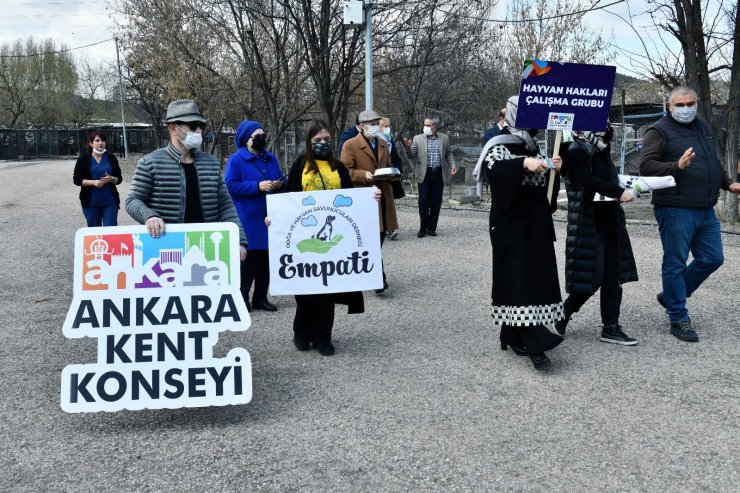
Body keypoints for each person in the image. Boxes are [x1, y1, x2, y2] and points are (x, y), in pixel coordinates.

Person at [639, 85, 740, 342]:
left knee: (713, 258)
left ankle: (673, 293)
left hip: (705, 209)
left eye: (690, 104)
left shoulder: (704, 127)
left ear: (696, 103)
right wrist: (677, 165)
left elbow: (712, 162)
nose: (685, 109)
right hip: (675, 208)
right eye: (679, 105)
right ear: (669, 106)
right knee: (675, 262)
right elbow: (646, 166)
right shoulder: (658, 131)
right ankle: (678, 317)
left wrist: (728, 183)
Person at [279, 118, 379, 356]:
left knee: (327, 290)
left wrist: (368, 200)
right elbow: (285, 199)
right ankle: (301, 331)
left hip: (334, 241)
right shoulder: (299, 165)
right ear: (309, 142)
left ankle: (324, 336)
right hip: (303, 236)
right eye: (317, 140)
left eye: (326, 139)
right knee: (306, 291)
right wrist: (272, 218)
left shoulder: (338, 166)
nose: (322, 143)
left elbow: (349, 199)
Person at [482, 95, 564, 370]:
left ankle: (513, 333)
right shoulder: (498, 143)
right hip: (511, 225)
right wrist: (522, 164)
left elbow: (547, 189)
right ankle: (535, 343)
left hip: (536, 224)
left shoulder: (535, 146)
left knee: (535, 275)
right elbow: (493, 171)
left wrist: (554, 169)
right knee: (518, 278)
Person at [125, 99, 247, 260]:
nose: (198, 130)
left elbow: (225, 204)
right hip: (164, 248)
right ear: (173, 128)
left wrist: (238, 240)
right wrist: (150, 216)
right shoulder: (150, 162)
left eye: (201, 126)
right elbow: (132, 200)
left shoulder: (211, 163)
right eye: (193, 125)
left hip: (205, 247)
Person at [556, 127, 639, 345]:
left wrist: (627, 187)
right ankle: (563, 314)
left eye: (606, 124)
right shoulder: (574, 148)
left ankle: (610, 327)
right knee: (593, 275)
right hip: (588, 220)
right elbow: (586, 179)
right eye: (599, 124)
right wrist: (618, 192)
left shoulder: (601, 148)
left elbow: (607, 178)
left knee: (614, 273)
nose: (605, 128)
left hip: (610, 217)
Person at [225, 120, 284, 313]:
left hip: (269, 216)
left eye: (263, 135)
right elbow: (230, 185)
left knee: (266, 260)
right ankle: (242, 297)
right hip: (248, 216)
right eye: (256, 136)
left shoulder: (271, 158)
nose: (261, 139)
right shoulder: (236, 160)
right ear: (246, 139)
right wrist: (256, 186)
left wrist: (279, 184)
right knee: (248, 260)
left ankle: (260, 297)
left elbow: (280, 176)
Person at [341, 110, 398, 294]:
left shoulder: (382, 142)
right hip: (363, 197)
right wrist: (362, 175)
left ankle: (371, 274)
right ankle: (377, 277)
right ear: (362, 125)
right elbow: (345, 172)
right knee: (368, 239)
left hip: (382, 196)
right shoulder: (350, 145)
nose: (375, 126)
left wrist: (393, 173)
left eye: (376, 123)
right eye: (371, 123)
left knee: (379, 237)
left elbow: (387, 164)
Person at [403, 116, 458, 238]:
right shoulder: (418, 138)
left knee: (436, 202)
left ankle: (432, 228)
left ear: (435, 127)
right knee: (423, 201)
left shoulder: (444, 138)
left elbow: (449, 153)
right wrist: (407, 149)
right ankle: (423, 228)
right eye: (425, 125)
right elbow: (412, 155)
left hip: (438, 174)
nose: (426, 127)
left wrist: (453, 165)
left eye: (428, 125)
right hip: (424, 174)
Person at [73, 129, 123, 227]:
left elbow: (119, 178)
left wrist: (112, 179)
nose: (101, 143)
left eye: (103, 140)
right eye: (97, 140)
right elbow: (76, 179)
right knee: (95, 233)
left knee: (111, 230)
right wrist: (93, 182)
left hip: (110, 201)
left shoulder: (111, 158)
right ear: (91, 143)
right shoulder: (84, 159)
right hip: (91, 202)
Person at [379, 117, 403, 240]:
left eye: (389, 126)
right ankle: (384, 227)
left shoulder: (390, 141)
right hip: (378, 177)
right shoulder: (376, 141)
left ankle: (391, 227)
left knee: (389, 202)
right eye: (385, 126)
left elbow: (395, 157)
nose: (388, 129)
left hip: (389, 176)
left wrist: (397, 171)